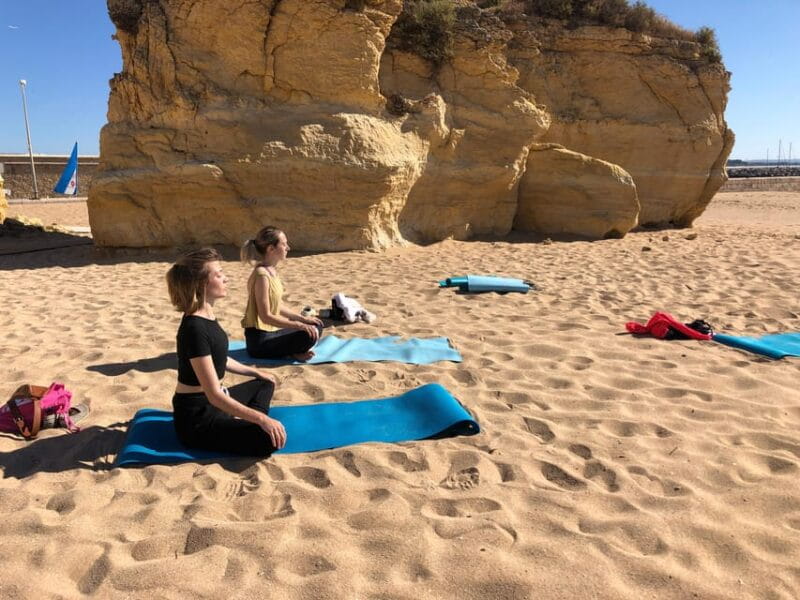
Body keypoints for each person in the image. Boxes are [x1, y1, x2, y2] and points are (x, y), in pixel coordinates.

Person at [166, 248, 286, 456]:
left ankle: (244, 421)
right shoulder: (194, 328)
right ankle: (249, 423)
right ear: (201, 284)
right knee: (269, 440)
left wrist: (255, 372)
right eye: (219, 274)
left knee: (265, 383)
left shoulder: (207, 315)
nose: (225, 279)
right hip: (198, 418)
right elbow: (214, 395)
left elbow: (220, 358)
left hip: (216, 401)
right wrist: (262, 419)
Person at [240, 226, 324, 360]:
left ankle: (291, 351)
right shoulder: (261, 276)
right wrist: (298, 325)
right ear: (271, 249)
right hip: (260, 341)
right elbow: (265, 316)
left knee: (316, 325)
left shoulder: (271, 271)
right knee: (308, 335)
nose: (288, 248)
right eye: (284, 244)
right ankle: (291, 353)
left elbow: (278, 306)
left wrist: (303, 319)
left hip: (272, 332)